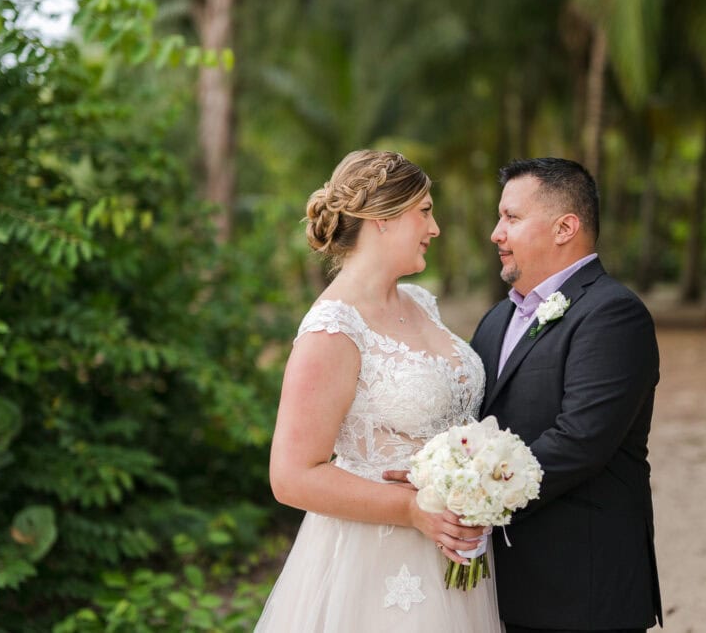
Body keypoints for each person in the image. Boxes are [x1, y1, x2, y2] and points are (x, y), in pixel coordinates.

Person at [254, 150, 502, 632]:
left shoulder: (421, 303)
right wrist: (411, 509)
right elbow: (291, 476)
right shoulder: (333, 329)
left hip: (451, 558)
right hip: (374, 563)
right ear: (383, 219)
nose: (435, 229)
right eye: (425, 212)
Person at [469, 157, 663, 632]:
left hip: (581, 593)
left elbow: (580, 441)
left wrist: (469, 497)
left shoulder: (613, 314)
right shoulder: (496, 320)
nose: (496, 233)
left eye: (511, 218)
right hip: (499, 589)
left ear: (565, 227)